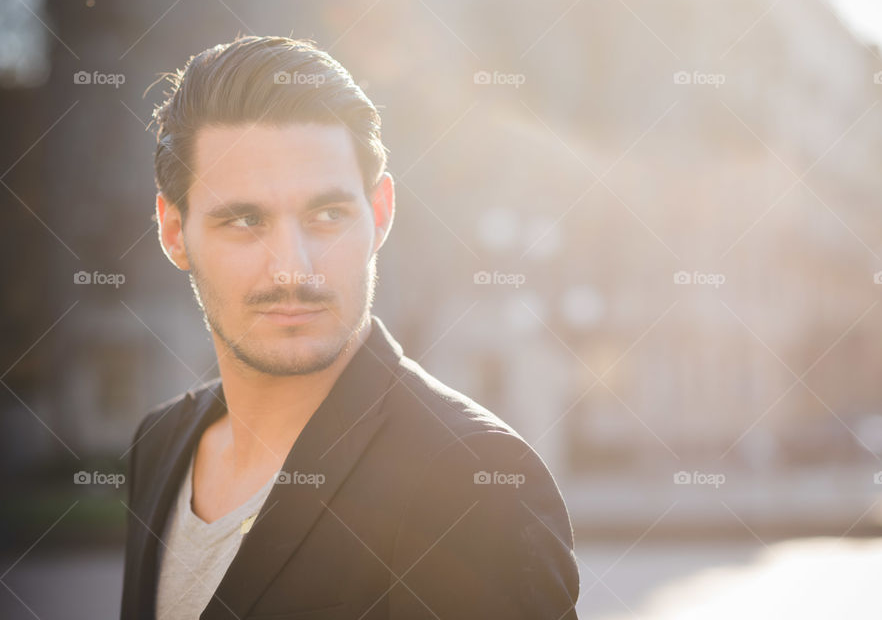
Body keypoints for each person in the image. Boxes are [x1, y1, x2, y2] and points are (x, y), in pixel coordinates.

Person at [120, 35, 580, 620]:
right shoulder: (158, 445)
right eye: (243, 220)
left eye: (327, 215)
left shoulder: (473, 482)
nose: (293, 267)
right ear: (173, 231)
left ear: (380, 214)